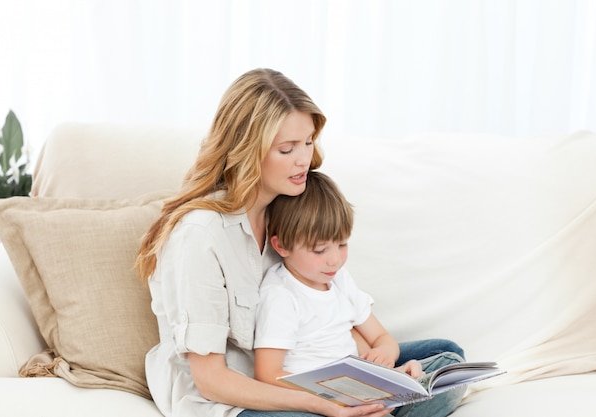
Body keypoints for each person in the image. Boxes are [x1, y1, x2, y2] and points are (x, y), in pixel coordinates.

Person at [135, 68, 464, 417]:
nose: (303, 159)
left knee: (446, 357)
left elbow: (324, 316)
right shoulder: (200, 236)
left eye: (308, 142)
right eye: (287, 148)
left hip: (304, 373)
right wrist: (326, 404)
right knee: (428, 381)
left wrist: (376, 374)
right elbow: (211, 381)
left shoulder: (287, 206)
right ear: (246, 149)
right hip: (234, 398)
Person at [255, 171, 466, 417]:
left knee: (450, 360)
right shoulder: (280, 294)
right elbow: (268, 374)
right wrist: (335, 400)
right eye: (319, 249)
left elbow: (382, 337)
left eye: (342, 244)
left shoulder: (339, 279)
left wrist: (386, 358)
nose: (334, 260)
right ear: (281, 246)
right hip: (319, 400)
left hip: (362, 385)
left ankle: (390, 403)